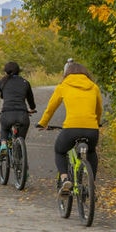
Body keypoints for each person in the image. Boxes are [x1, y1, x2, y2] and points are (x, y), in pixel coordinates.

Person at [36, 62, 103, 195]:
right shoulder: (93, 87)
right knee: (91, 152)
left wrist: (43, 123)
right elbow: (99, 109)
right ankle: (91, 184)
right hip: (92, 129)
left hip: (71, 129)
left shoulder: (64, 86)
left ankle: (65, 178)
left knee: (60, 151)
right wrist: (97, 122)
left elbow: (51, 107)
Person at [0, 61, 37, 156]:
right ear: (19, 71)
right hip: (22, 116)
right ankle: (20, 155)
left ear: (6, 71)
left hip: (7, 115)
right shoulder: (25, 82)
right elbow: (31, 102)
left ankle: (3, 145)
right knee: (21, 138)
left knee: (4, 128)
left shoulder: (2, 82)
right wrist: (31, 109)